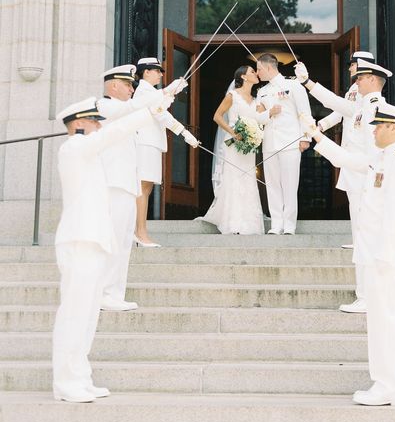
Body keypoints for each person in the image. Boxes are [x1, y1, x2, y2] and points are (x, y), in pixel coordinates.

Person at [53, 94, 173, 403]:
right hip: (79, 240)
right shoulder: (74, 147)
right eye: (93, 120)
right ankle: (66, 382)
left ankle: (80, 377)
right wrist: (150, 111)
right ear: (78, 123)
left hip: (94, 241)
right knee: (75, 315)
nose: (98, 124)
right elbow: (113, 133)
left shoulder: (88, 153)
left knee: (88, 316)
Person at [301, 102, 395, 406]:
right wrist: (316, 135)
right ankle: (385, 383)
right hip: (374, 254)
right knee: (379, 322)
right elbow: (347, 159)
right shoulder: (381, 157)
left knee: (386, 321)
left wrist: (382, 254)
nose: (375, 131)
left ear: (393, 128)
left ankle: (389, 384)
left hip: (385, 254)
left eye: (379, 126)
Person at [295, 58, 392, 313]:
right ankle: (366, 295)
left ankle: (368, 296)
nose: (355, 80)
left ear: (372, 80)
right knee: (362, 238)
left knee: (366, 239)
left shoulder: (373, 108)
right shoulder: (361, 106)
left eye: (360, 77)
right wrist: (308, 85)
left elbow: (373, 158)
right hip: (356, 171)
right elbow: (337, 106)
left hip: (366, 177)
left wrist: (308, 84)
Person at [97, 65, 187, 312]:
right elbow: (135, 109)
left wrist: (164, 100)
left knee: (124, 241)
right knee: (113, 240)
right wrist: (166, 92)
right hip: (112, 183)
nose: (131, 89)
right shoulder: (105, 105)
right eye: (127, 85)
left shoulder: (124, 110)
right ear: (113, 85)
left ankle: (114, 293)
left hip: (126, 183)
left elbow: (143, 114)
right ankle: (103, 292)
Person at [198, 65, 281, 235]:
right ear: (243, 77)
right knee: (234, 178)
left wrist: (270, 112)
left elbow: (259, 119)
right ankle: (233, 222)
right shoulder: (233, 95)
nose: (256, 74)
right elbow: (217, 116)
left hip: (248, 146)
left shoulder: (256, 99)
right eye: (252, 72)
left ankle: (249, 223)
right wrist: (233, 132)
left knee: (248, 179)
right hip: (233, 144)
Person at [134, 57, 199, 247]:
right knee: (142, 188)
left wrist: (169, 94)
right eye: (157, 71)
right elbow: (160, 114)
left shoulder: (149, 91)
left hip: (151, 143)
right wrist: (184, 132)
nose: (161, 74)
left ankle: (140, 231)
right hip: (146, 143)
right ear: (146, 72)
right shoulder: (144, 90)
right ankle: (140, 232)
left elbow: (160, 107)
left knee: (146, 188)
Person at [317, 50, 375, 249]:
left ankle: (365, 239)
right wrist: (321, 125)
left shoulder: (368, 89)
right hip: (349, 148)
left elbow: (346, 109)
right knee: (354, 197)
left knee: (361, 197)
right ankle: (359, 239)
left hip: (361, 151)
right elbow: (340, 111)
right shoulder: (352, 88)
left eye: (352, 63)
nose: (349, 67)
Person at [256, 53, 311, 235]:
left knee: (289, 184)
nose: (257, 73)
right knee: (272, 184)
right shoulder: (261, 91)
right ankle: (276, 224)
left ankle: (289, 225)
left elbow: (304, 112)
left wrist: (305, 137)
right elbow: (257, 117)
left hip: (290, 141)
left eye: (259, 69)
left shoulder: (293, 85)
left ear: (269, 67)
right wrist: (269, 113)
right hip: (270, 142)